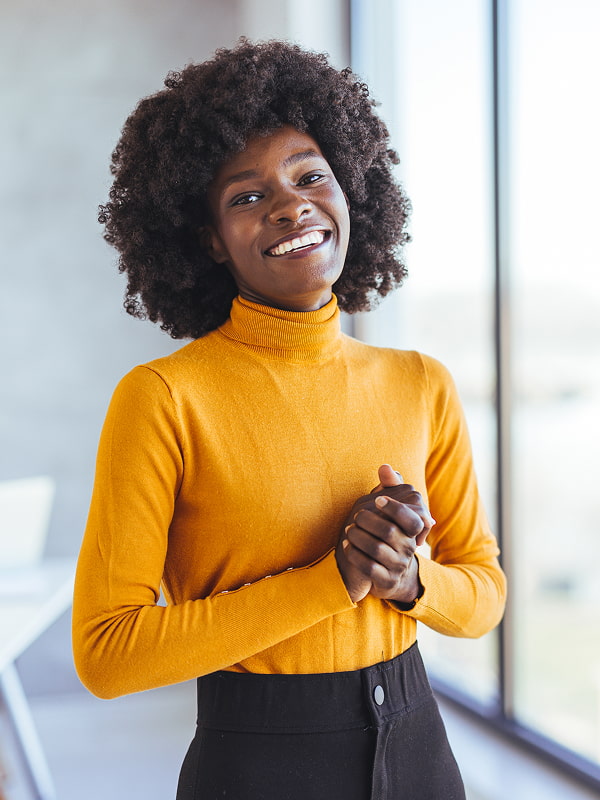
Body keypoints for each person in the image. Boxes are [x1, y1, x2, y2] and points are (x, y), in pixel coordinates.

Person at [72, 39, 506, 799]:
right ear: (209, 239)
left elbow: (484, 593)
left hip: (419, 752)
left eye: (311, 176)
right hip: (256, 763)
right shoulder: (165, 397)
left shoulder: (419, 382)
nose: (289, 203)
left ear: (351, 192)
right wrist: (335, 577)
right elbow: (108, 653)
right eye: (246, 196)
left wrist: (407, 581)